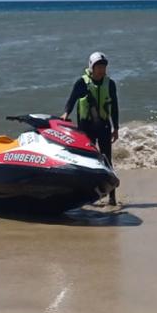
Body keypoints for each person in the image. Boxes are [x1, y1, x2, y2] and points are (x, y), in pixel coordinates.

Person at [61, 51, 120, 206]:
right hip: (86, 128)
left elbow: (114, 108)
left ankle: (112, 196)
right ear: (91, 67)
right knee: (88, 161)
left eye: (103, 66)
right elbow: (72, 100)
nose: (101, 70)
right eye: (98, 67)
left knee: (106, 160)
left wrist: (116, 128)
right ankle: (88, 196)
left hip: (104, 126)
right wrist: (66, 113)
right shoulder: (82, 83)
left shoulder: (110, 84)